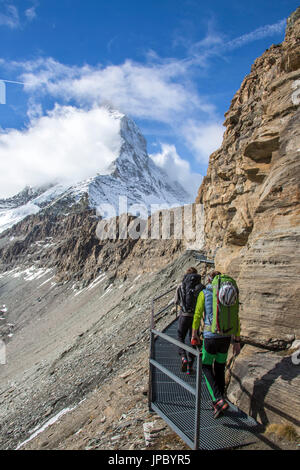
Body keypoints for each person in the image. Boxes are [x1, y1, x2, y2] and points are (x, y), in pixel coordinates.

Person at [191, 271, 241, 418]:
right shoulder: (230, 292)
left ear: (210, 280)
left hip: (210, 337)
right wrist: (237, 341)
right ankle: (220, 401)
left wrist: (194, 334)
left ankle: (217, 399)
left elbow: (197, 314)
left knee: (206, 366)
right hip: (226, 337)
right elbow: (236, 317)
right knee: (219, 367)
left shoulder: (205, 293)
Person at [175, 267, 204, 375]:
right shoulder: (201, 287)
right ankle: (190, 366)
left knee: (180, 336)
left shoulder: (181, 285)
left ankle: (183, 357)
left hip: (184, 315)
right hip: (196, 317)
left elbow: (176, 301)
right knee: (193, 338)